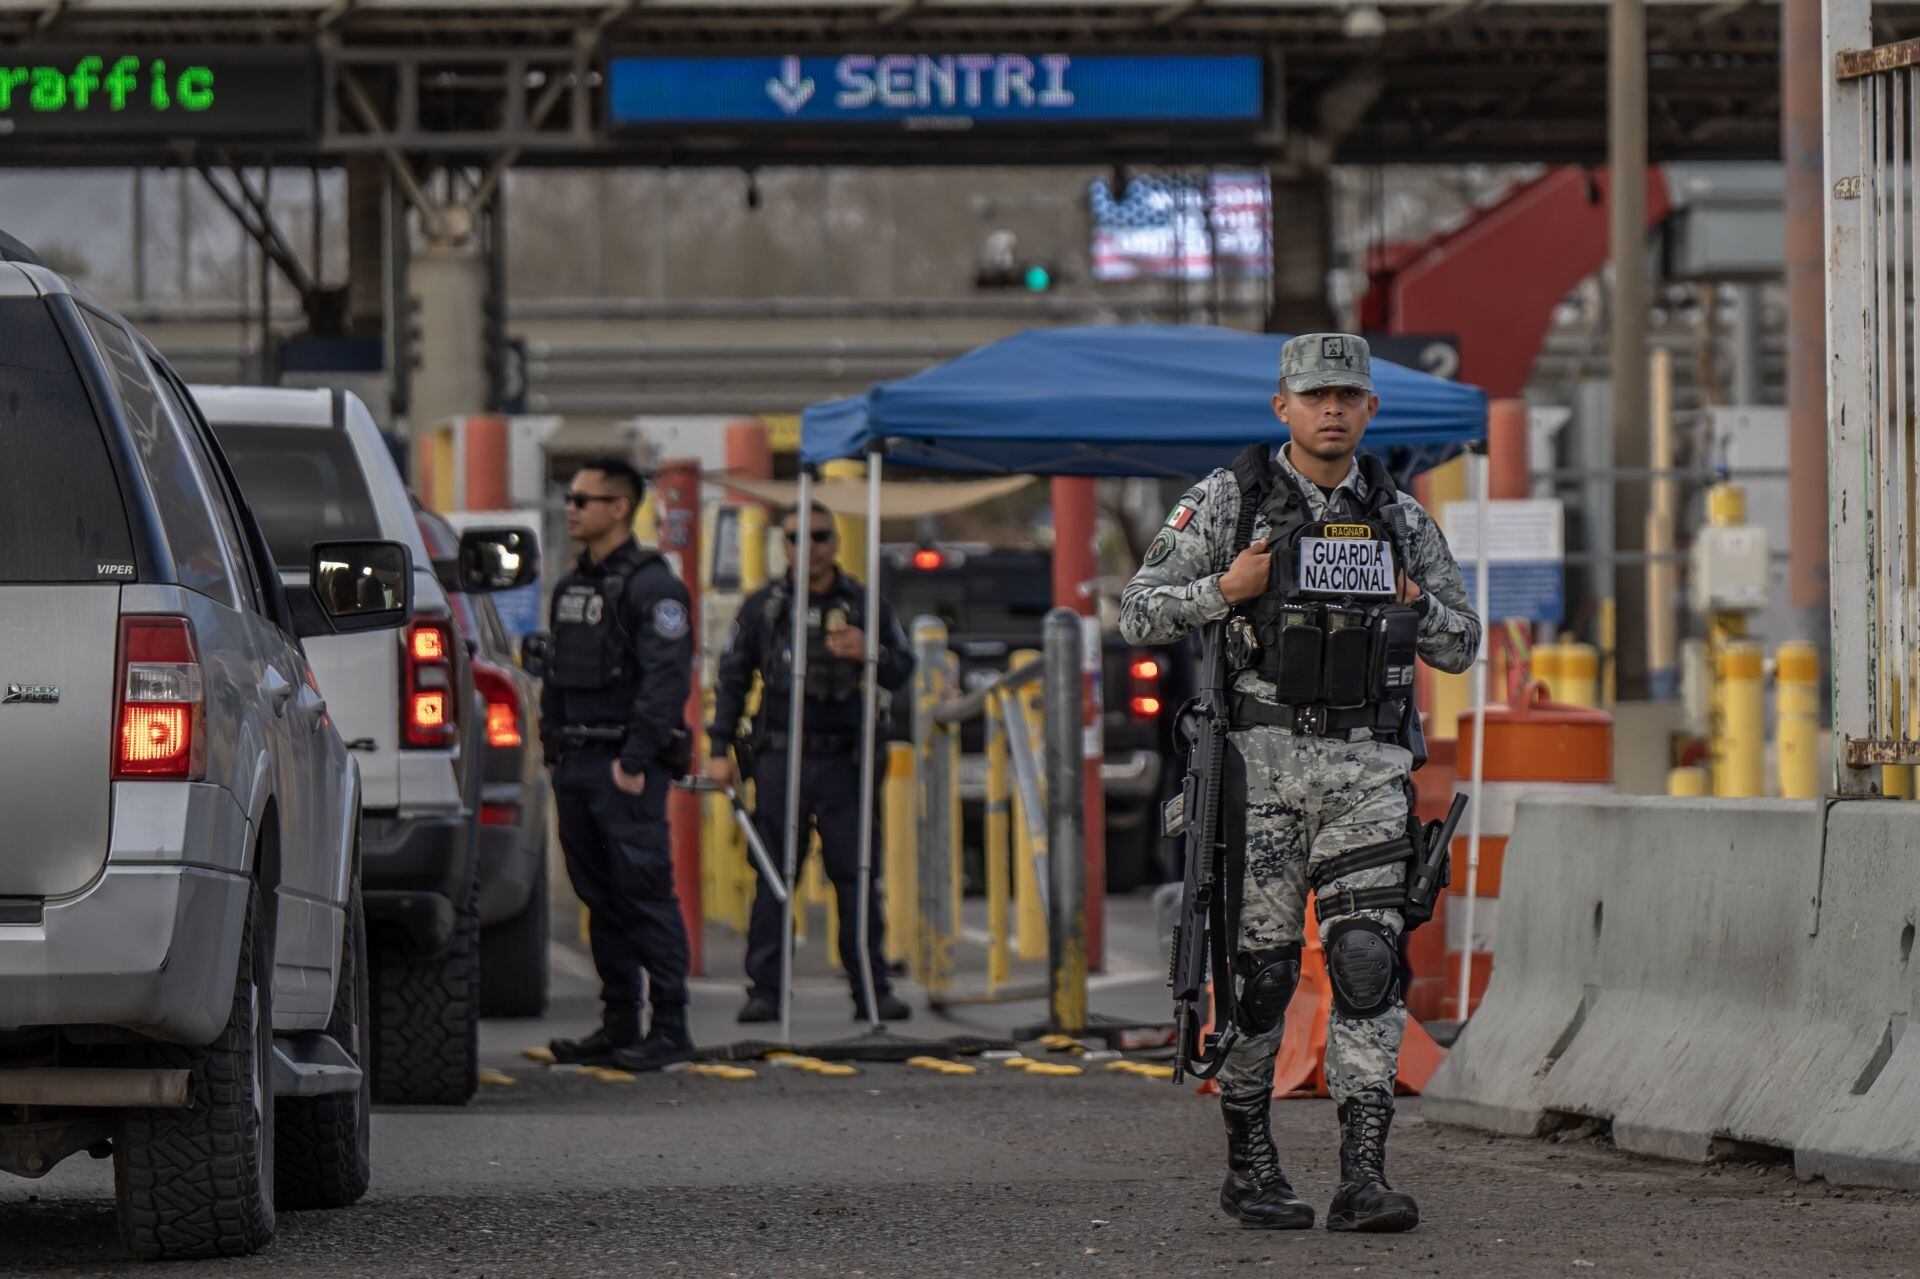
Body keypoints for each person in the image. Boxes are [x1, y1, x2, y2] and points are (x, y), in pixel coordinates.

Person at [1119, 334, 1479, 1233]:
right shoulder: (1229, 501)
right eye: (1315, 394)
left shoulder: (1399, 516)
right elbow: (1136, 610)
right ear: (1282, 406)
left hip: (1367, 768)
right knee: (1264, 978)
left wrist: (1415, 603)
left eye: (1348, 397)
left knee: (1367, 963)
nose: (1332, 410)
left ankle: (1364, 1174)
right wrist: (1225, 590)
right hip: (1262, 772)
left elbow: (1462, 642)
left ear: (1370, 412)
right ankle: (1251, 1162)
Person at [706, 501, 915, 1024]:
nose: (810, 547)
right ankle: (766, 991)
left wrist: (871, 652)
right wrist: (717, 750)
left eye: (820, 536)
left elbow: (902, 670)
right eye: (799, 538)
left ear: (836, 542)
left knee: (857, 876)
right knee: (775, 877)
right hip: (780, 758)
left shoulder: (867, 605)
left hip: (845, 762)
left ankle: (871, 987)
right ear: (786, 545)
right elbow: (732, 679)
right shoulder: (765, 606)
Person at [541, 457, 698, 1072]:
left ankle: (672, 1023)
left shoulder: (653, 585)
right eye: (570, 498)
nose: (572, 507)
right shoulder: (571, 585)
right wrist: (552, 749)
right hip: (578, 762)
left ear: (619, 508)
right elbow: (555, 673)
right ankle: (619, 1021)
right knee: (599, 897)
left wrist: (635, 758)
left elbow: (667, 682)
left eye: (585, 499)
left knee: (644, 892)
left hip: (622, 766)